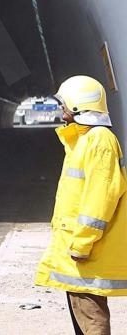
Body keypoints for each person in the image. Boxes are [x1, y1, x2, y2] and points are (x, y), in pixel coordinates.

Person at [35, 75, 127, 334]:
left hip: (87, 250)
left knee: (91, 317)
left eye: (64, 103)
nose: (61, 109)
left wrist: (82, 244)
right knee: (82, 311)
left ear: (77, 106)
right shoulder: (84, 140)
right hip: (78, 246)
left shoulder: (99, 141)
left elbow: (101, 198)